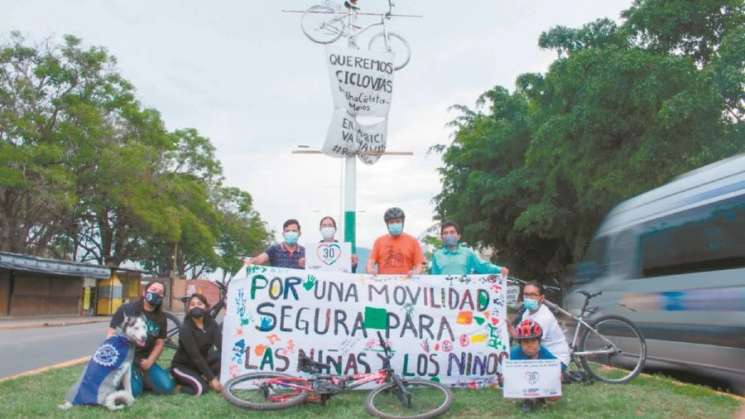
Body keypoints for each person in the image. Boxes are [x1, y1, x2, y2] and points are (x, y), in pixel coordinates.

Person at [107, 281, 175, 396]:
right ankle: (133, 378)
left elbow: (159, 343)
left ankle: (142, 377)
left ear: (162, 297)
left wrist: (150, 361)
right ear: (144, 292)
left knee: (167, 387)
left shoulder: (161, 318)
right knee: (135, 391)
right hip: (126, 359)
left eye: (160, 292)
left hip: (145, 360)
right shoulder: (127, 309)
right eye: (153, 290)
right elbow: (111, 334)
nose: (156, 293)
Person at [171, 293, 222, 396]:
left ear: (206, 307)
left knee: (221, 355)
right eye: (192, 305)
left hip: (199, 365)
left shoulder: (211, 323)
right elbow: (196, 356)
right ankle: (178, 386)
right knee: (201, 389)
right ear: (189, 309)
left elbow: (221, 345)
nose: (196, 307)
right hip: (182, 366)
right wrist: (212, 379)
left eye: (199, 304)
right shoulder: (185, 328)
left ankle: (203, 376)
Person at [514, 281, 570, 367]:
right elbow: (521, 336)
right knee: (519, 351)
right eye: (526, 294)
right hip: (540, 353)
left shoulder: (544, 317)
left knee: (520, 351)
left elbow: (531, 345)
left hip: (556, 359)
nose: (528, 298)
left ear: (541, 298)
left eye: (532, 295)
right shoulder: (527, 312)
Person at [509, 319, 561, 411]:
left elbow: (556, 368)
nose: (530, 345)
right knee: (510, 395)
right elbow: (508, 374)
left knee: (555, 396)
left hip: (541, 383)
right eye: (525, 342)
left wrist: (559, 376)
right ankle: (527, 400)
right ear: (520, 344)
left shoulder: (544, 353)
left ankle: (539, 397)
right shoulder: (514, 354)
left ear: (539, 342)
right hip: (522, 384)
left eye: (533, 341)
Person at [430, 221, 510, 276]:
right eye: (445, 233)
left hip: (465, 297)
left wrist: (499, 269)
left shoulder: (468, 253)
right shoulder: (437, 255)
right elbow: (434, 279)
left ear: (458, 236)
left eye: (452, 232)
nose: (448, 235)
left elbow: (482, 266)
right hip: (445, 298)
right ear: (442, 237)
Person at [366, 207, 424, 276]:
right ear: (387, 224)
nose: (395, 224)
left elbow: (419, 265)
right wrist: (371, 270)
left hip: (407, 284)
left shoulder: (413, 241)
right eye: (392, 222)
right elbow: (370, 263)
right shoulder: (379, 241)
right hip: (384, 284)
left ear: (402, 223)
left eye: (398, 221)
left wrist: (415, 273)